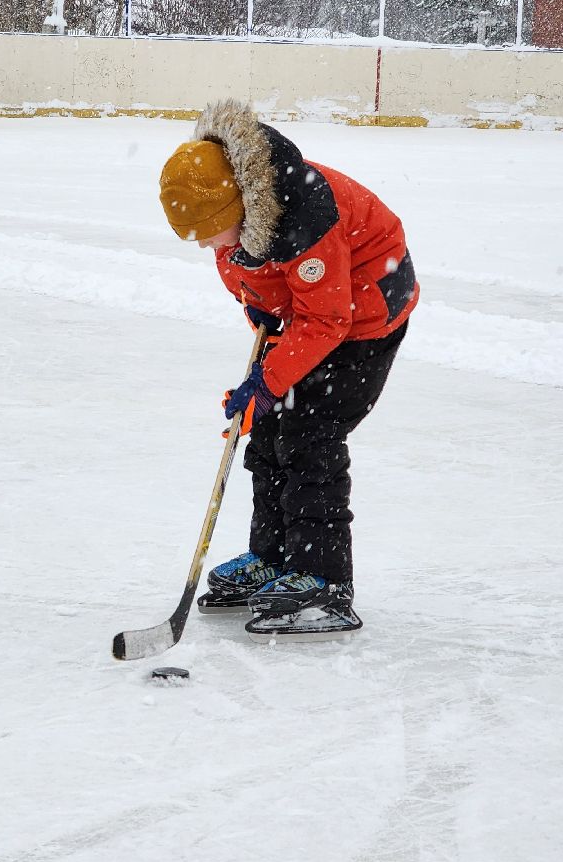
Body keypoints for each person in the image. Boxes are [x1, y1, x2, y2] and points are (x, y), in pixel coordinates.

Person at [157, 99, 417, 639]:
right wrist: (263, 321)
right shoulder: (233, 206)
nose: (206, 245)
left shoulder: (304, 214)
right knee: (272, 431)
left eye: (207, 232)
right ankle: (274, 559)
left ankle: (324, 583)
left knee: (309, 434)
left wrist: (266, 382)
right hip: (314, 309)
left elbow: (328, 317)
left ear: (236, 210)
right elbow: (253, 277)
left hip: (364, 315)